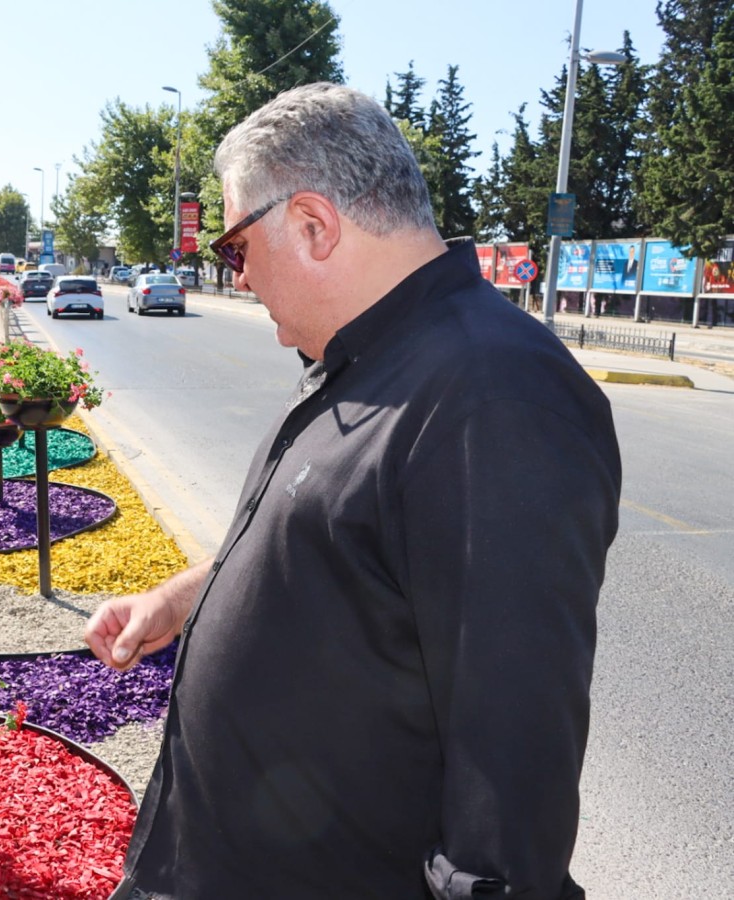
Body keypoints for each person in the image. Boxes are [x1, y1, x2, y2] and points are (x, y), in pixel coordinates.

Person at [86, 83, 622, 900]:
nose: (236, 274)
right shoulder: (376, 356)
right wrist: (187, 597)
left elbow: (512, 763)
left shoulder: (495, 397)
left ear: (311, 224)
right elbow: (343, 545)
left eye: (234, 248)